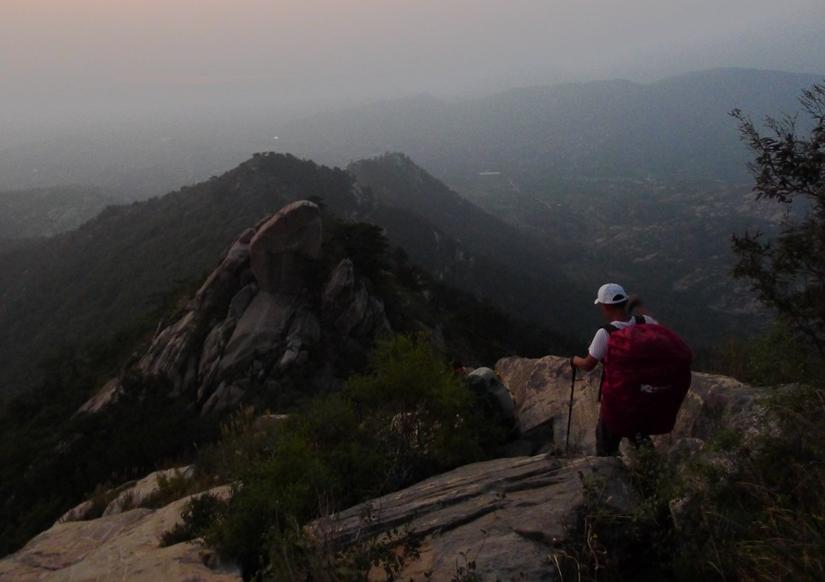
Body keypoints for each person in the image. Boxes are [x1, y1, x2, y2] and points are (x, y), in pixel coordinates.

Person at [572, 283, 658, 456]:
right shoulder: (644, 322)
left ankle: (608, 469)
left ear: (605, 306)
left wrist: (574, 360)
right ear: (625, 302)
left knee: (605, 443)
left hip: (616, 397)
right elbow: (658, 329)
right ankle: (651, 467)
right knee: (639, 436)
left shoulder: (605, 333)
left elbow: (588, 365)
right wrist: (638, 306)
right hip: (640, 394)